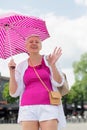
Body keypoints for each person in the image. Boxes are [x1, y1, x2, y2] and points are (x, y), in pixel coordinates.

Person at [8, 35, 66, 130]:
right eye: (31, 42)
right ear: (26, 46)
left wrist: (53, 65)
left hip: (49, 105)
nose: (34, 43)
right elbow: (14, 93)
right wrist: (12, 72)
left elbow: (59, 83)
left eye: (37, 42)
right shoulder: (21, 66)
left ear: (41, 46)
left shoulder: (49, 60)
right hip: (27, 108)